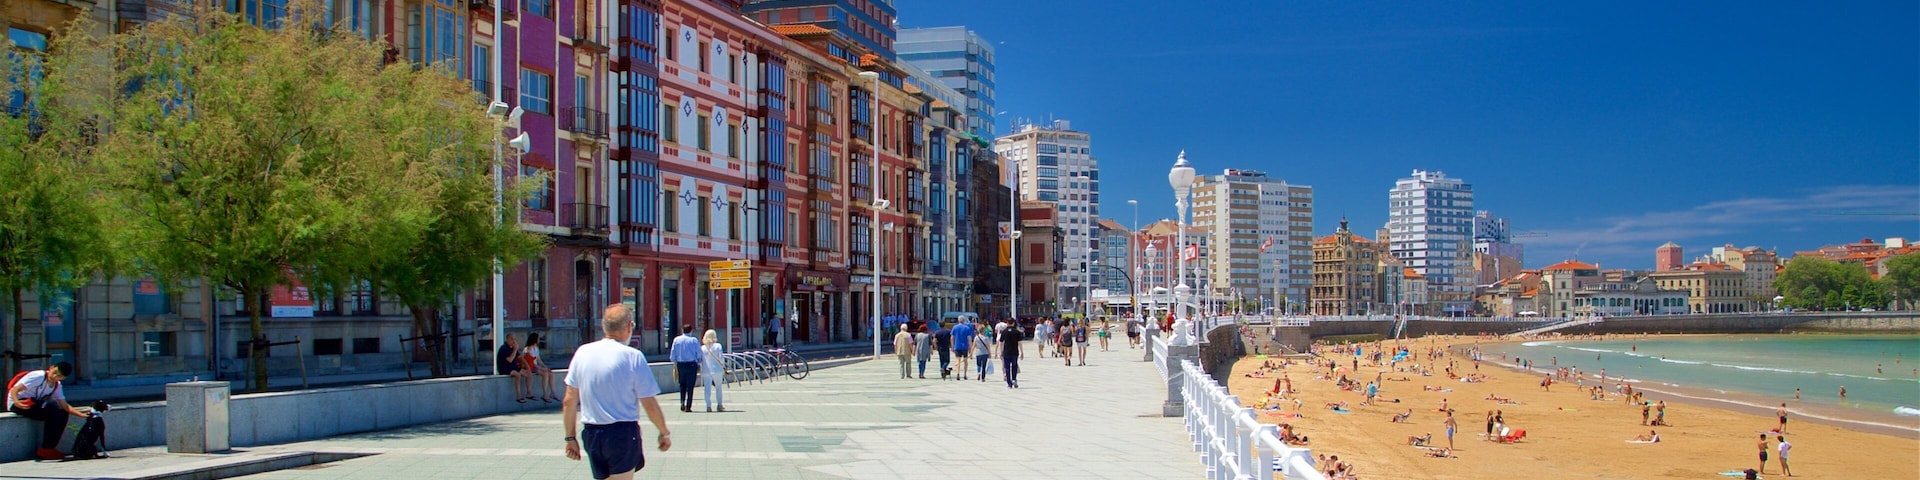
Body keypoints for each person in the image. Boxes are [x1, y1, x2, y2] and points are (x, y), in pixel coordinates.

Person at [562, 304, 672, 480]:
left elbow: (569, 400)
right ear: (629, 327)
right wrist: (664, 432)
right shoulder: (632, 356)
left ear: (604, 327)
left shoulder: (583, 353)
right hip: (622, 431)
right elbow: (649, 403)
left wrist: (570, 438)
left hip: (591, 432)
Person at [7, 362, 89, 460]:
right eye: (54, 372)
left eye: (59, 376)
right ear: (51, 368)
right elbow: (14, 390)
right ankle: (46, 450)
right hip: (18, 403)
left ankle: (47, 449)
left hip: (34, 405)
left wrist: (82, 415)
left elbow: (64, 405)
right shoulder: (38, 376)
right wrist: (16, 402)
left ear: (63, 378)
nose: (54, 377)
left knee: (61, 413)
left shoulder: (57, 385)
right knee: (52, 406)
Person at [668, 326, 702, 413]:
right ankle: (688, 405)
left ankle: (682, 401)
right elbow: (699, 353)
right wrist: (698, 362)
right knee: (690, 386)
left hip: (681, 364)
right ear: (691, 331)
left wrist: (674, 360)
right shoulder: (694, 340)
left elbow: (672, 354)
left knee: (682, 384)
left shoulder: (676, 340)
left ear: (682, 330)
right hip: (691, 364)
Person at [497, 334, 533, 403]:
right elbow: (510, 360)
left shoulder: (512, 348)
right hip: (505, 368)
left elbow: (520, 357)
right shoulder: (503, 348)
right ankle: (518, 395)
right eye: (511, 339)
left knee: (528, 374)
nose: (513, 341)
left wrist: (527, 367)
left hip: (513, 367)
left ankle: (529, 392)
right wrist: (515, 349)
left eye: (514, 339)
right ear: (507, 339)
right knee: (517, 375)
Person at [524, 332, 559, 403]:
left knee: (550, 373)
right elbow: (530, 362)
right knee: (545, 373)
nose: (539, 340)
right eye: (538, 339)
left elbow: (539, 360)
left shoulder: (536, 348)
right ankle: (545, 393)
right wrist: (541, 368)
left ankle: (552, 392)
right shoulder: (527, 349)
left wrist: (545, 366)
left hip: (536, 366)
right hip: (531, 367)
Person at [699, 330, 726, 413]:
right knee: (719, 388)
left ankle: (708, 406)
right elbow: (721, 357)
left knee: (707, 388)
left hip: (706, 370)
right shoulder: (718, 346)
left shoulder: (702, 348)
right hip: (717, 369)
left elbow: (700, 360)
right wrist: (723, 365)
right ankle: (719, 405)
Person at [1000, 320, 1024, 388]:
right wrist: (1022, 352)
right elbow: (1020, 343)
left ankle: (1009, 383)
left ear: (1007, 323)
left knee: (1007, 368)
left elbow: (1001, 343)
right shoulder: (1017, 332)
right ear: (1013, 323)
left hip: (1006, 352)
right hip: (1015, 352)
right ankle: (1014, 379)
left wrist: (1001, 351)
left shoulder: (1004, 332)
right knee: (1014, 366)